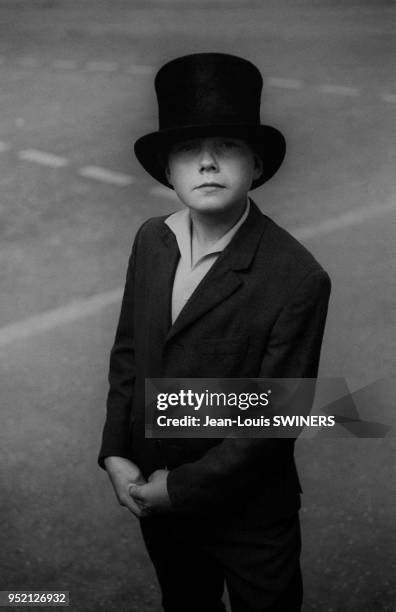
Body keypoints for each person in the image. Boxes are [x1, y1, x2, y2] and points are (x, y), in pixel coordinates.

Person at [98, 53, 332, 612]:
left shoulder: (297, 278)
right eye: (187, 150)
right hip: (157, 495)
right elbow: (130, 353)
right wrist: (114, 453)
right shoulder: (151, 240)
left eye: (226, 146)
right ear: (168, 172)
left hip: (250, 516)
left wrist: (177, 490)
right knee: (185, 602)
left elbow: (276, 420)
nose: (206, 162)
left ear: (255, 165)